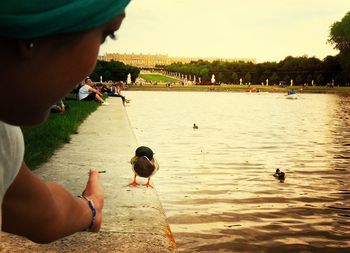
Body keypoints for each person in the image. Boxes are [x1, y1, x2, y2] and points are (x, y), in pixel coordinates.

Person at [0, 0, 130, 243]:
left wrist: (91, 209)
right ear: (36, 28)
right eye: (107, 34)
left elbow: (44, 212)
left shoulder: (4, 138)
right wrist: (91, 210)